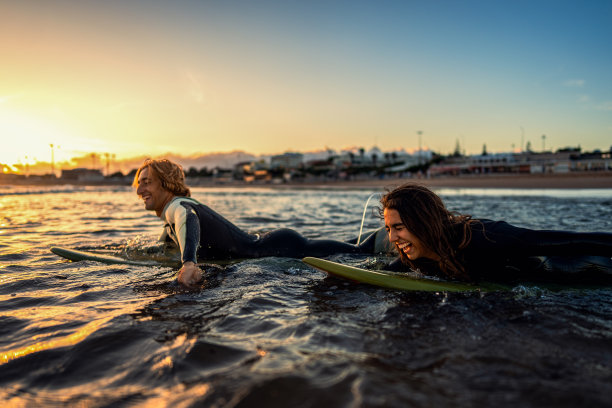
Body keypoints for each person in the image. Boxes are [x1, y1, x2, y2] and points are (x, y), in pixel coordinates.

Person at [133, 158, 385, 287]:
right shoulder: (170, 219)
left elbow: (188, 220)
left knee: (360, 253)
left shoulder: (179, 207)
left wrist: (188, 264)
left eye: (147, 181)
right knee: (349, 249)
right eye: (139, 182)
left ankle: (389, 237)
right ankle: (384, 237)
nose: (139, 189)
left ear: (166, 183)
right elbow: (168, 243)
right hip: (276, 243)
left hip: (280, 249)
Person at [380, 183, 612, 283]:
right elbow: (381, 278)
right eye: (389, 229)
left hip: (569, 266)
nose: (392, 238)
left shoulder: (485, 237)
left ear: (424, 221)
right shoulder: (414, 259)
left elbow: (560, 241)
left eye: (399, 228)